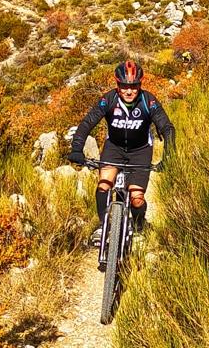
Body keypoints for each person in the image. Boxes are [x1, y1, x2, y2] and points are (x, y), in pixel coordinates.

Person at [67, 59, 175, 246]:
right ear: (118, 85)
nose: (128, 91)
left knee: (136, 198)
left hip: (140, 151)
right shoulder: (108, 100)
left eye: (133, 86)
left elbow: (167, 128)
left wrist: (169, 155)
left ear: (139, 85)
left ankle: (140, 225)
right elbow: (87, 123)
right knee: (104, 185)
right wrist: (77, 148)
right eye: (124, 86)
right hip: (114, 148)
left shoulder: (148, 101)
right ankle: (103, 226)